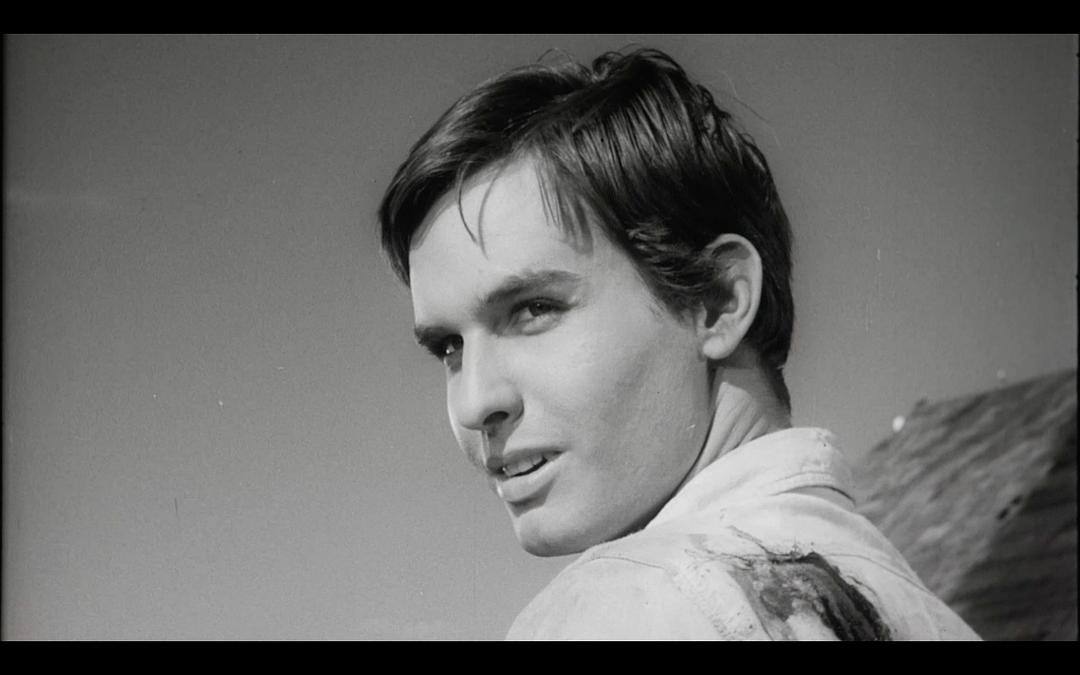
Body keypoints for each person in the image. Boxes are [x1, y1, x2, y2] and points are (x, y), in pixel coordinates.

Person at [377, 47, 980, 640]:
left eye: (534, 310)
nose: (474, 403)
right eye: (449, 347)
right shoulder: (926, 614)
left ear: (716, 300)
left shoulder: (619, 608)